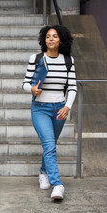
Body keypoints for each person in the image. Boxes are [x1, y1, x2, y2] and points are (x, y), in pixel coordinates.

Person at [22, 25, 76, 200]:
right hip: (40, 108)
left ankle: (43, 172)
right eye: (47, 36)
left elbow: (73, 87)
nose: (51, 39)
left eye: (54, 36)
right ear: (43, 40)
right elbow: (25, 83)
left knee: (50, 145)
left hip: (59, 108)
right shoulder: (36, 58)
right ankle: (57, 184)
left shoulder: (68, 60)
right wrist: (31, 89)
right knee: (50, 146)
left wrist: (67, 106)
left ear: (61, 40)